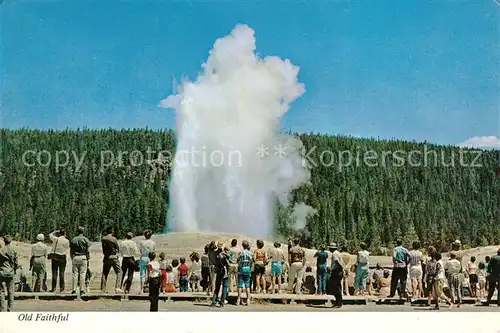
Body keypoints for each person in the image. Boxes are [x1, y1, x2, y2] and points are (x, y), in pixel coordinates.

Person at [100, 226, 122, 293]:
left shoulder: (103, 239)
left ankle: (103, 289)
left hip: (106, 257)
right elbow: (117, 248)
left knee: (105, 273)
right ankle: (117, 287)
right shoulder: (114, 239)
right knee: (119, 272)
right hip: (114, 257)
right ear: (112, 231)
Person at [70, 226, 91, 295]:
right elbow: (88, 250)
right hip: (83, 257)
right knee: (82, 274)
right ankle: (82, 289)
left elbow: (71, 250)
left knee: (74, 274)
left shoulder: (73, 239)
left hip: (75, 257)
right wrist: (88, 258)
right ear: (83, 231)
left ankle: (74, 289)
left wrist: (71, 257)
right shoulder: (85, 239)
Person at [0, 235, 19, 311]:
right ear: (10, 241)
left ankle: (1, 308)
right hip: (10, 272)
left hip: (1, 272)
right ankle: (10, 309)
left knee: (1, 292)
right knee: (11, 292)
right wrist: (14, 269)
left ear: (4, 241)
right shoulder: (14, 250)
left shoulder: (1, 250)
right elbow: (16, 263)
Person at [211, 243, 230, 307]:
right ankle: (222, 302)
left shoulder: (214, 254)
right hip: (225, 272)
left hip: (218, 271)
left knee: (217, 287)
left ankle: (214, 301)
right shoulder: (225, 255)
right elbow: (228, 263)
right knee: (224, 287)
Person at [139, 229, 155, 293]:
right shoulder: (153, 243)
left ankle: (142, 289)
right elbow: (153, 252)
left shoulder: (141, 242)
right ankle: (149, 287)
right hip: (150, 258)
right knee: (150, 273)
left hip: (143, 258)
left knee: (142, 274)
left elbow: (140, 251)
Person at [236, 240, 252, 306]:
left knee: (240, 285)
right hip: (247, 269)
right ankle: (248, 300)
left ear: (242, 246)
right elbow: (251, 261)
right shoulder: (250, 253)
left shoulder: (240, 253)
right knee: (247, 285)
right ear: (248, 246)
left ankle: (238, 300)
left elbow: (238, 260)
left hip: (241, 269)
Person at [329, 244, 343, 308]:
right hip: (338, 271)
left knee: (335, 287)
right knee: (337, 286)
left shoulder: (334, 254)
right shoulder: (338, 253)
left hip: (336, 271)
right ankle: (338, 301)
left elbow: (336, 262)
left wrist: (340, 268)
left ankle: (338, 302)